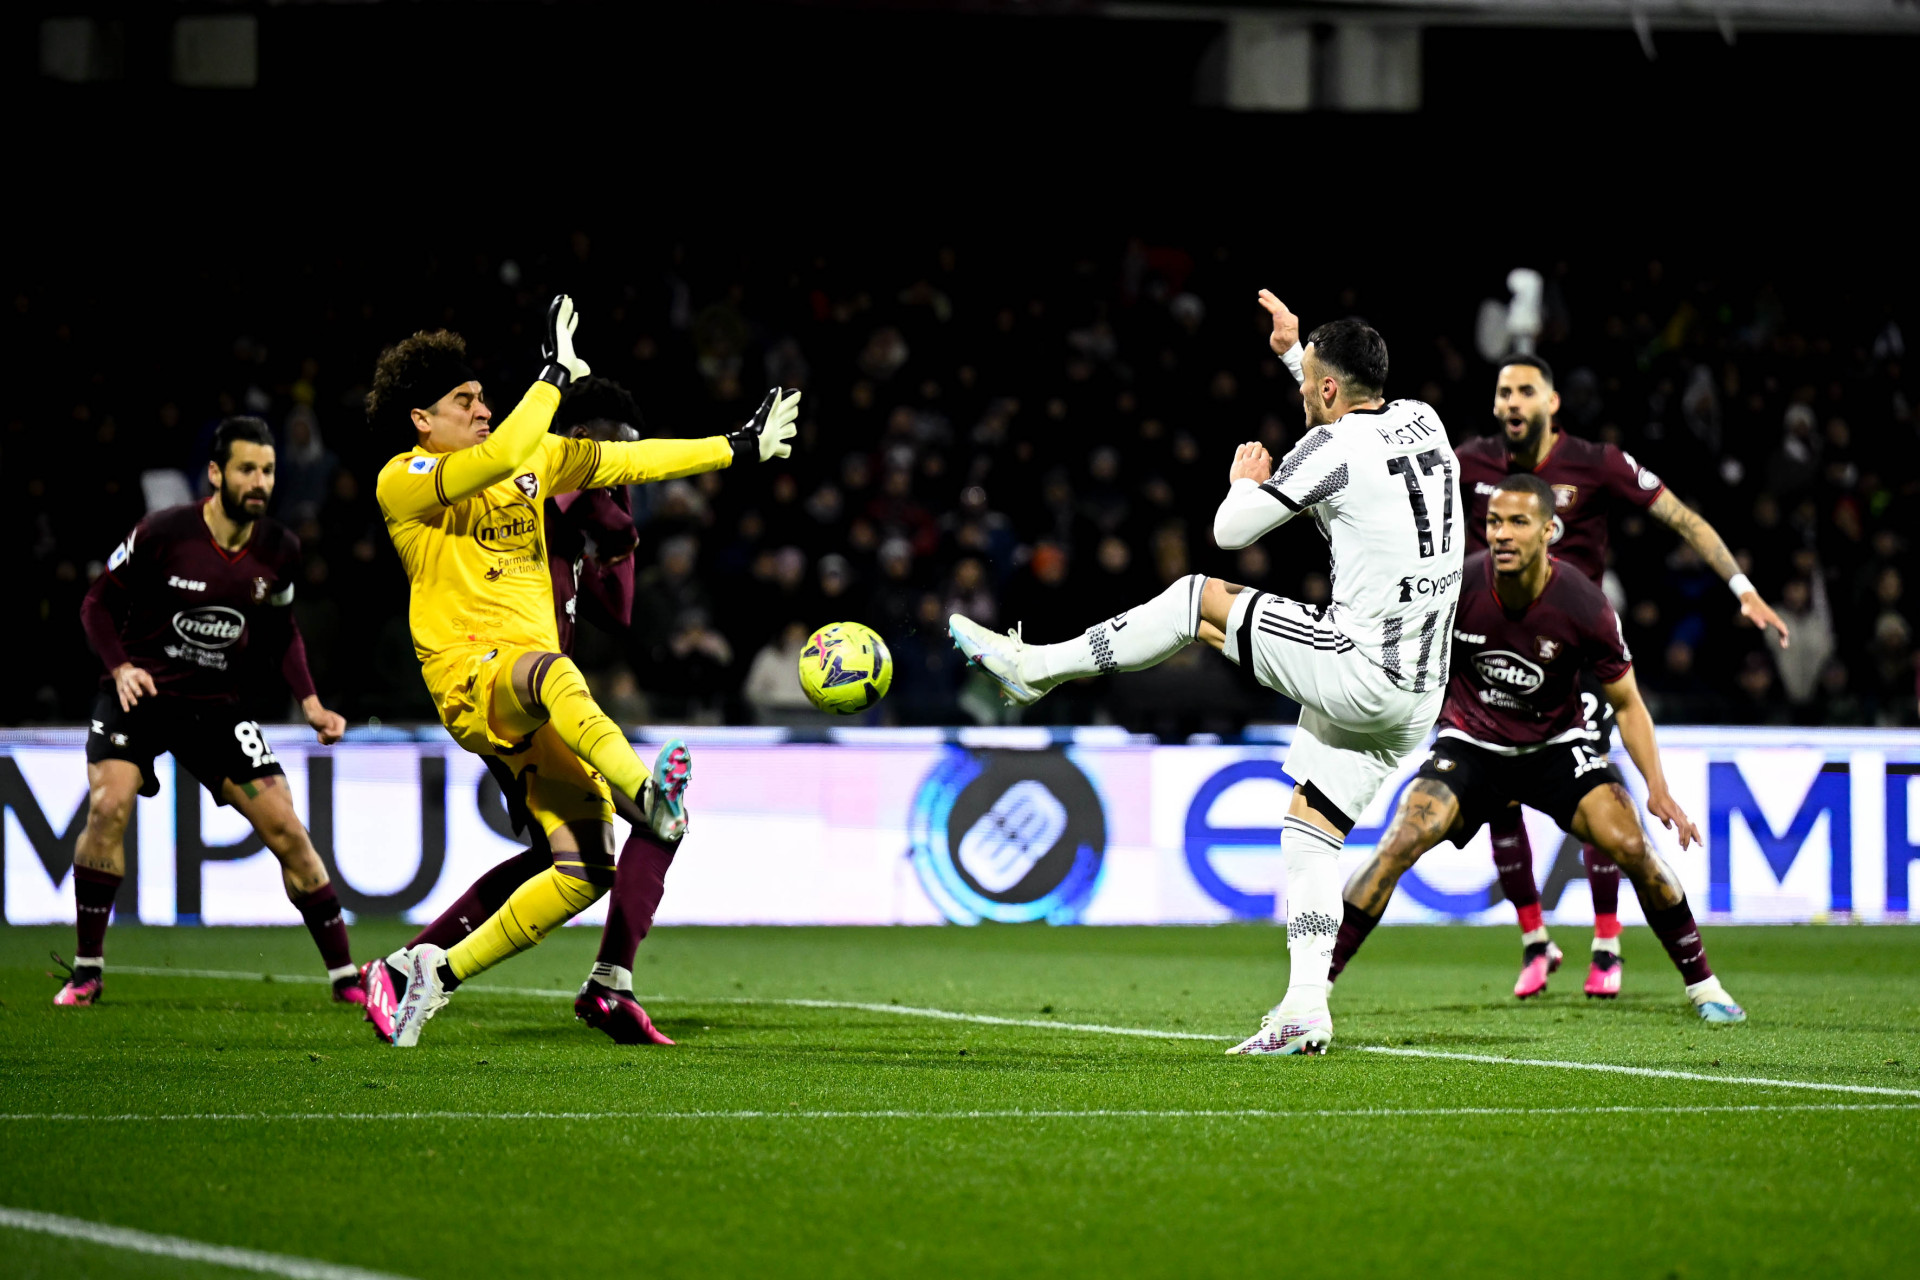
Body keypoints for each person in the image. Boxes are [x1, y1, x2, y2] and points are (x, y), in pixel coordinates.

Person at [953, 291, 1463, 1055]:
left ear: (1328, 389)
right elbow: (1342, 409)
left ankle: (1037, 668)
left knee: (1197, 599)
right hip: (1422, 691)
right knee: (1311, 827)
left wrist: (1245, 479)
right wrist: (1296, 351)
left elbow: (1231, 531)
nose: (1298, 391)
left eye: (1305, 380)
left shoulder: (1331, 448)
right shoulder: (1425, 419)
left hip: (1363, 668)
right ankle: (1303, 1008)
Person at [360, 296, 799, 1047]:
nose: (481, 409)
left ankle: (433, 974)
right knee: (554, 674)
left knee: (584, 866)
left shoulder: (534, 456)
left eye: (482, 397)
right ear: (420, 421)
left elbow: (634, 459)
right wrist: (554, 377)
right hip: (472, 677)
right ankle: (646, 794)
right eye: (462, 401)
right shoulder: (405, 479)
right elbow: (495, 458)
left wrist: (737, 446)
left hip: (531, 696)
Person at [1326, 474, 1745, 1023]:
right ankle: (1314, 988)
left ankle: (1705, 986)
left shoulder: (1585, 605)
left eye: (1518, 522)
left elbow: (1628, 703)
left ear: (1550, 530)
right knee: (1401, 839)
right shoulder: (1456, 588)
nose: (1501, 533)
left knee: (1634, 848)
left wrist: (1658, 790)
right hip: (1472, 743)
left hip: (1555, 748)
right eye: (1494, 522)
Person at [1456, 355, 1789, 998]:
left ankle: (1606, 941)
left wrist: (1741, 587)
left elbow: (1682, 518)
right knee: (1495, 791)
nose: (1515, 402)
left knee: (1597, 789)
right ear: (1495, 405)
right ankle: (1534, 938)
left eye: (1528, 390)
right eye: (1504, 392)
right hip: (1493, 647)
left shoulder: (1598, 462)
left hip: (1576, 656)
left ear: (1553, 403)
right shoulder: (1469, 463)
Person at [382, 375, 700, 1045]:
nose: (620, 459)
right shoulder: (510, 481)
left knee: (577, 860)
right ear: (579, 436)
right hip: (500, 682)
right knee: (614, 830)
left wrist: (616, 541)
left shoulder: (590, 505)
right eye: (613, 444)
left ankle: (425, 969)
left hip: (550, 695)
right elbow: (510, 468)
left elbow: (618, 614)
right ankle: (603, 982)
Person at [62, 416, 358, 1007]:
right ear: (217, 473)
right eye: (248, 469)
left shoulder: (280, 549)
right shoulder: (163, 532)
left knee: (288, 830)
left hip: (217, 708)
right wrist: (121, 666)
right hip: (140, 697)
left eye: (269, 471)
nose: (260, 482)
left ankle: (347, 980)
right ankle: (87, 970)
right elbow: (96, 603)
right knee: (109, 803)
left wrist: (312, 702)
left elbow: (282, 632)